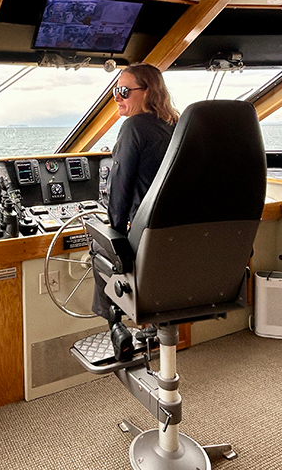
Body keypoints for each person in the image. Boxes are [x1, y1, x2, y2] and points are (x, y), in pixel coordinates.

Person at [92, 62, 179, 360]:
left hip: (146, 241)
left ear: (148, 92)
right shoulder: (177, 125)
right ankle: (153, 327)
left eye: (124, 91)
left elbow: (120, 192)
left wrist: (112, 231)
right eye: (116, 90)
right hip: (177, 237)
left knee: (99, 244)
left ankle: (115, 326)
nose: (117, 97)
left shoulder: (133, 127)